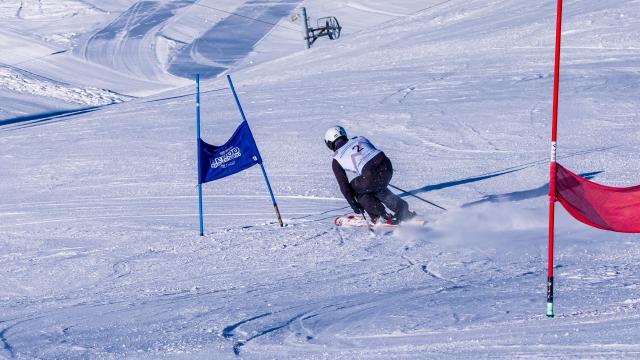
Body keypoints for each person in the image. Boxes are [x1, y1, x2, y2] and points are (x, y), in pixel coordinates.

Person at [324, 125, 414, 225]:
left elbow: (344, 186)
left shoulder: (336, 159)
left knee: (356, 188)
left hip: (369, 175)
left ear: (329, 143)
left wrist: (353, 204)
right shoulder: (360, 138)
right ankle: (402, 209)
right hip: (387, 166)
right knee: (374, 187)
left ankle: (380, 216)